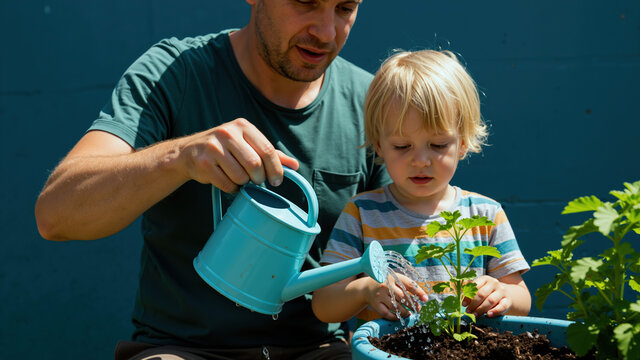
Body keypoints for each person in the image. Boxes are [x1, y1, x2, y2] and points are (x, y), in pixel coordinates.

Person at [34, 1, 391, 359]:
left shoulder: (371, 104)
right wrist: (179, 158)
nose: (326, 32)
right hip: (182, 349)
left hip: (319, 350)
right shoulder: (176, 72)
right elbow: (55, 215)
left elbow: (414, 240)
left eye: (345, 8)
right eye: (305, 3)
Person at [311, 49, 531, 327]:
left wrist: (503, 294)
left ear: (462, 142)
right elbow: (323, 305)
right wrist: (366, 290)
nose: (420, 161)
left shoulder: (486, 215)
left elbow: (522, 299)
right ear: (379, 145)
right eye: (402, 146)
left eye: (438, 145)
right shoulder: (362, 213)